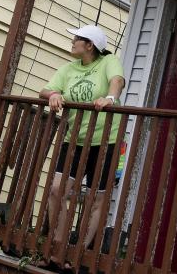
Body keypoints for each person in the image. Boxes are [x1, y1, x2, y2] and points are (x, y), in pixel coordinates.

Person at [39, 24, 125, 270]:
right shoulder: (68, 69)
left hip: (106, 141)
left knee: (96, 198)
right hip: (74, 139)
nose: (73, 41)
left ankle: (76, 255)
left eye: (77, 38)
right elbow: (44, 90)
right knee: (56, 189)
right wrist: (54, 94)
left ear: (90, 45)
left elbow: (116, 81)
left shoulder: (109, 62)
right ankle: (59, 248)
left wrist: (109, 98)